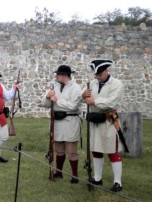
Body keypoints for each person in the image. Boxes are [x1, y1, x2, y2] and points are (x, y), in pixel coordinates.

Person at [82, 59, 125, 192]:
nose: (97, 77)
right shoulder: (93, 83)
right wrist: (83, 95)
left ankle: (118, 182)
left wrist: (94, 101)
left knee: (113, 151)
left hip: (109, 121)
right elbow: (83, 96)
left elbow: (112, 102)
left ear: (106, 71)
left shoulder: (117, 84)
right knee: (96, 149)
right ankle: (97, 178)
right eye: (96, 75)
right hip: (95, 120)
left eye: (99, 74)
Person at [42, 65, 82, 184]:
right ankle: (59, 172)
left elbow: (73, 105)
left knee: (71, 151)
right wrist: (47, 97)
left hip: (70, 122)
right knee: (59, 150)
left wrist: (57, 100)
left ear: (65, 76)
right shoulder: (54, 86)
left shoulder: (75, 88)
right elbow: (44, 104)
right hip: (57, 122)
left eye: (58, 74)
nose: (56, 76)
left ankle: (75, 175)